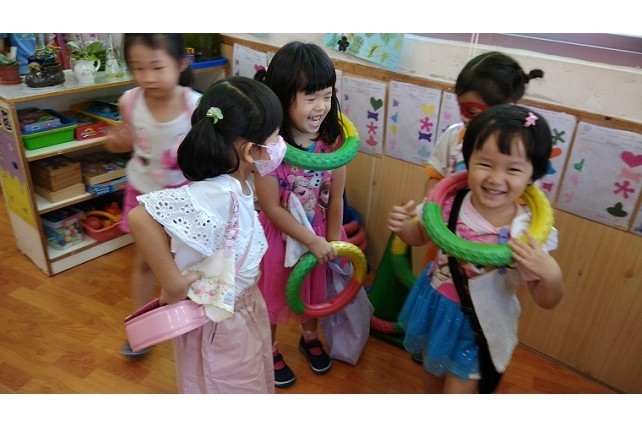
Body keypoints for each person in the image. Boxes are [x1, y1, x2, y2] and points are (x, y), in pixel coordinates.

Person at [388, 105, 564, 393]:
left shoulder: (524, 231)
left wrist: (551, 275)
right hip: (435, 306)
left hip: (479, 324)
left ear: (532, 175)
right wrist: (402, 227)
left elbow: (545, 300)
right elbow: (419, 235)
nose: (495, 178)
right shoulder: (449, 202)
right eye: (485, 164)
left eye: (513, 169)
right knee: (431, 383)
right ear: (468, 160)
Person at [126, 76, 284, 393]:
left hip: (242, 309)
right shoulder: (217, 192)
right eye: (275, 139)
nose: (280, 146)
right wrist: (173, 283)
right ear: (250, 150)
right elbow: (140, 217)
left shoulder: (238, 184)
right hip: (219, 322)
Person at [254, 41, 348, 388]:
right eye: (310, 97)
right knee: (273, 295)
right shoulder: (268, 148)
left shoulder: (333, 141)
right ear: (283, 97)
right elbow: (271, 207)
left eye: (326, 95)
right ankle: (270, 348)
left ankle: (310, 337)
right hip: (279, 237)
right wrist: (310, 239)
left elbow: (336, 198)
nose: (320, 106)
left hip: (319, 232)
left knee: (313, 291)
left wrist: (333, 240)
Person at [103, 34, 200, 358]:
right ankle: (141, 329)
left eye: (157, 67)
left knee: (189, 262)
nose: (147, 77)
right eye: (138, 67)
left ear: (181, 63)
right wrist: (115, 142)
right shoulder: (129, 102)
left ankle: (196, 322)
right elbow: (122, 141)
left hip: (184, 197)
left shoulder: (194, 105)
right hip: (143, 196)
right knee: (146, 263)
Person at [425, 51, 544, 197]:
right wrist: (429, 208)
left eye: (473, 112)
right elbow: (435, 179)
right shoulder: (453, 136)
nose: (463, 117)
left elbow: (526, 202)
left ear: (506, 107)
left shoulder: (521, 149)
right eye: (460, 107)